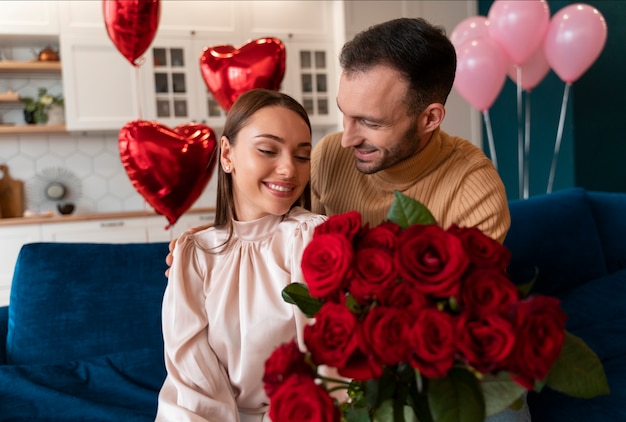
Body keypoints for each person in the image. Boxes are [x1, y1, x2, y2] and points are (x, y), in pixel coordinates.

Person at [166, 18, 529, 421]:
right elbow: (274, 222)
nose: (346, 138)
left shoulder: (472, 187)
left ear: (429, 118)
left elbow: (450, 326)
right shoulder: (329, 157)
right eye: (345, 114)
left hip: (425, 357)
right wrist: (216, 245)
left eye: (370, 123)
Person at [155, 88, 327, 421]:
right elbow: (193, 381)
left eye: (302, 156)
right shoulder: (195, 254)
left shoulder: (311, 239)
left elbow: (328, 364)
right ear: (227, 155)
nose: (289, 169)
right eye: (267, 150)